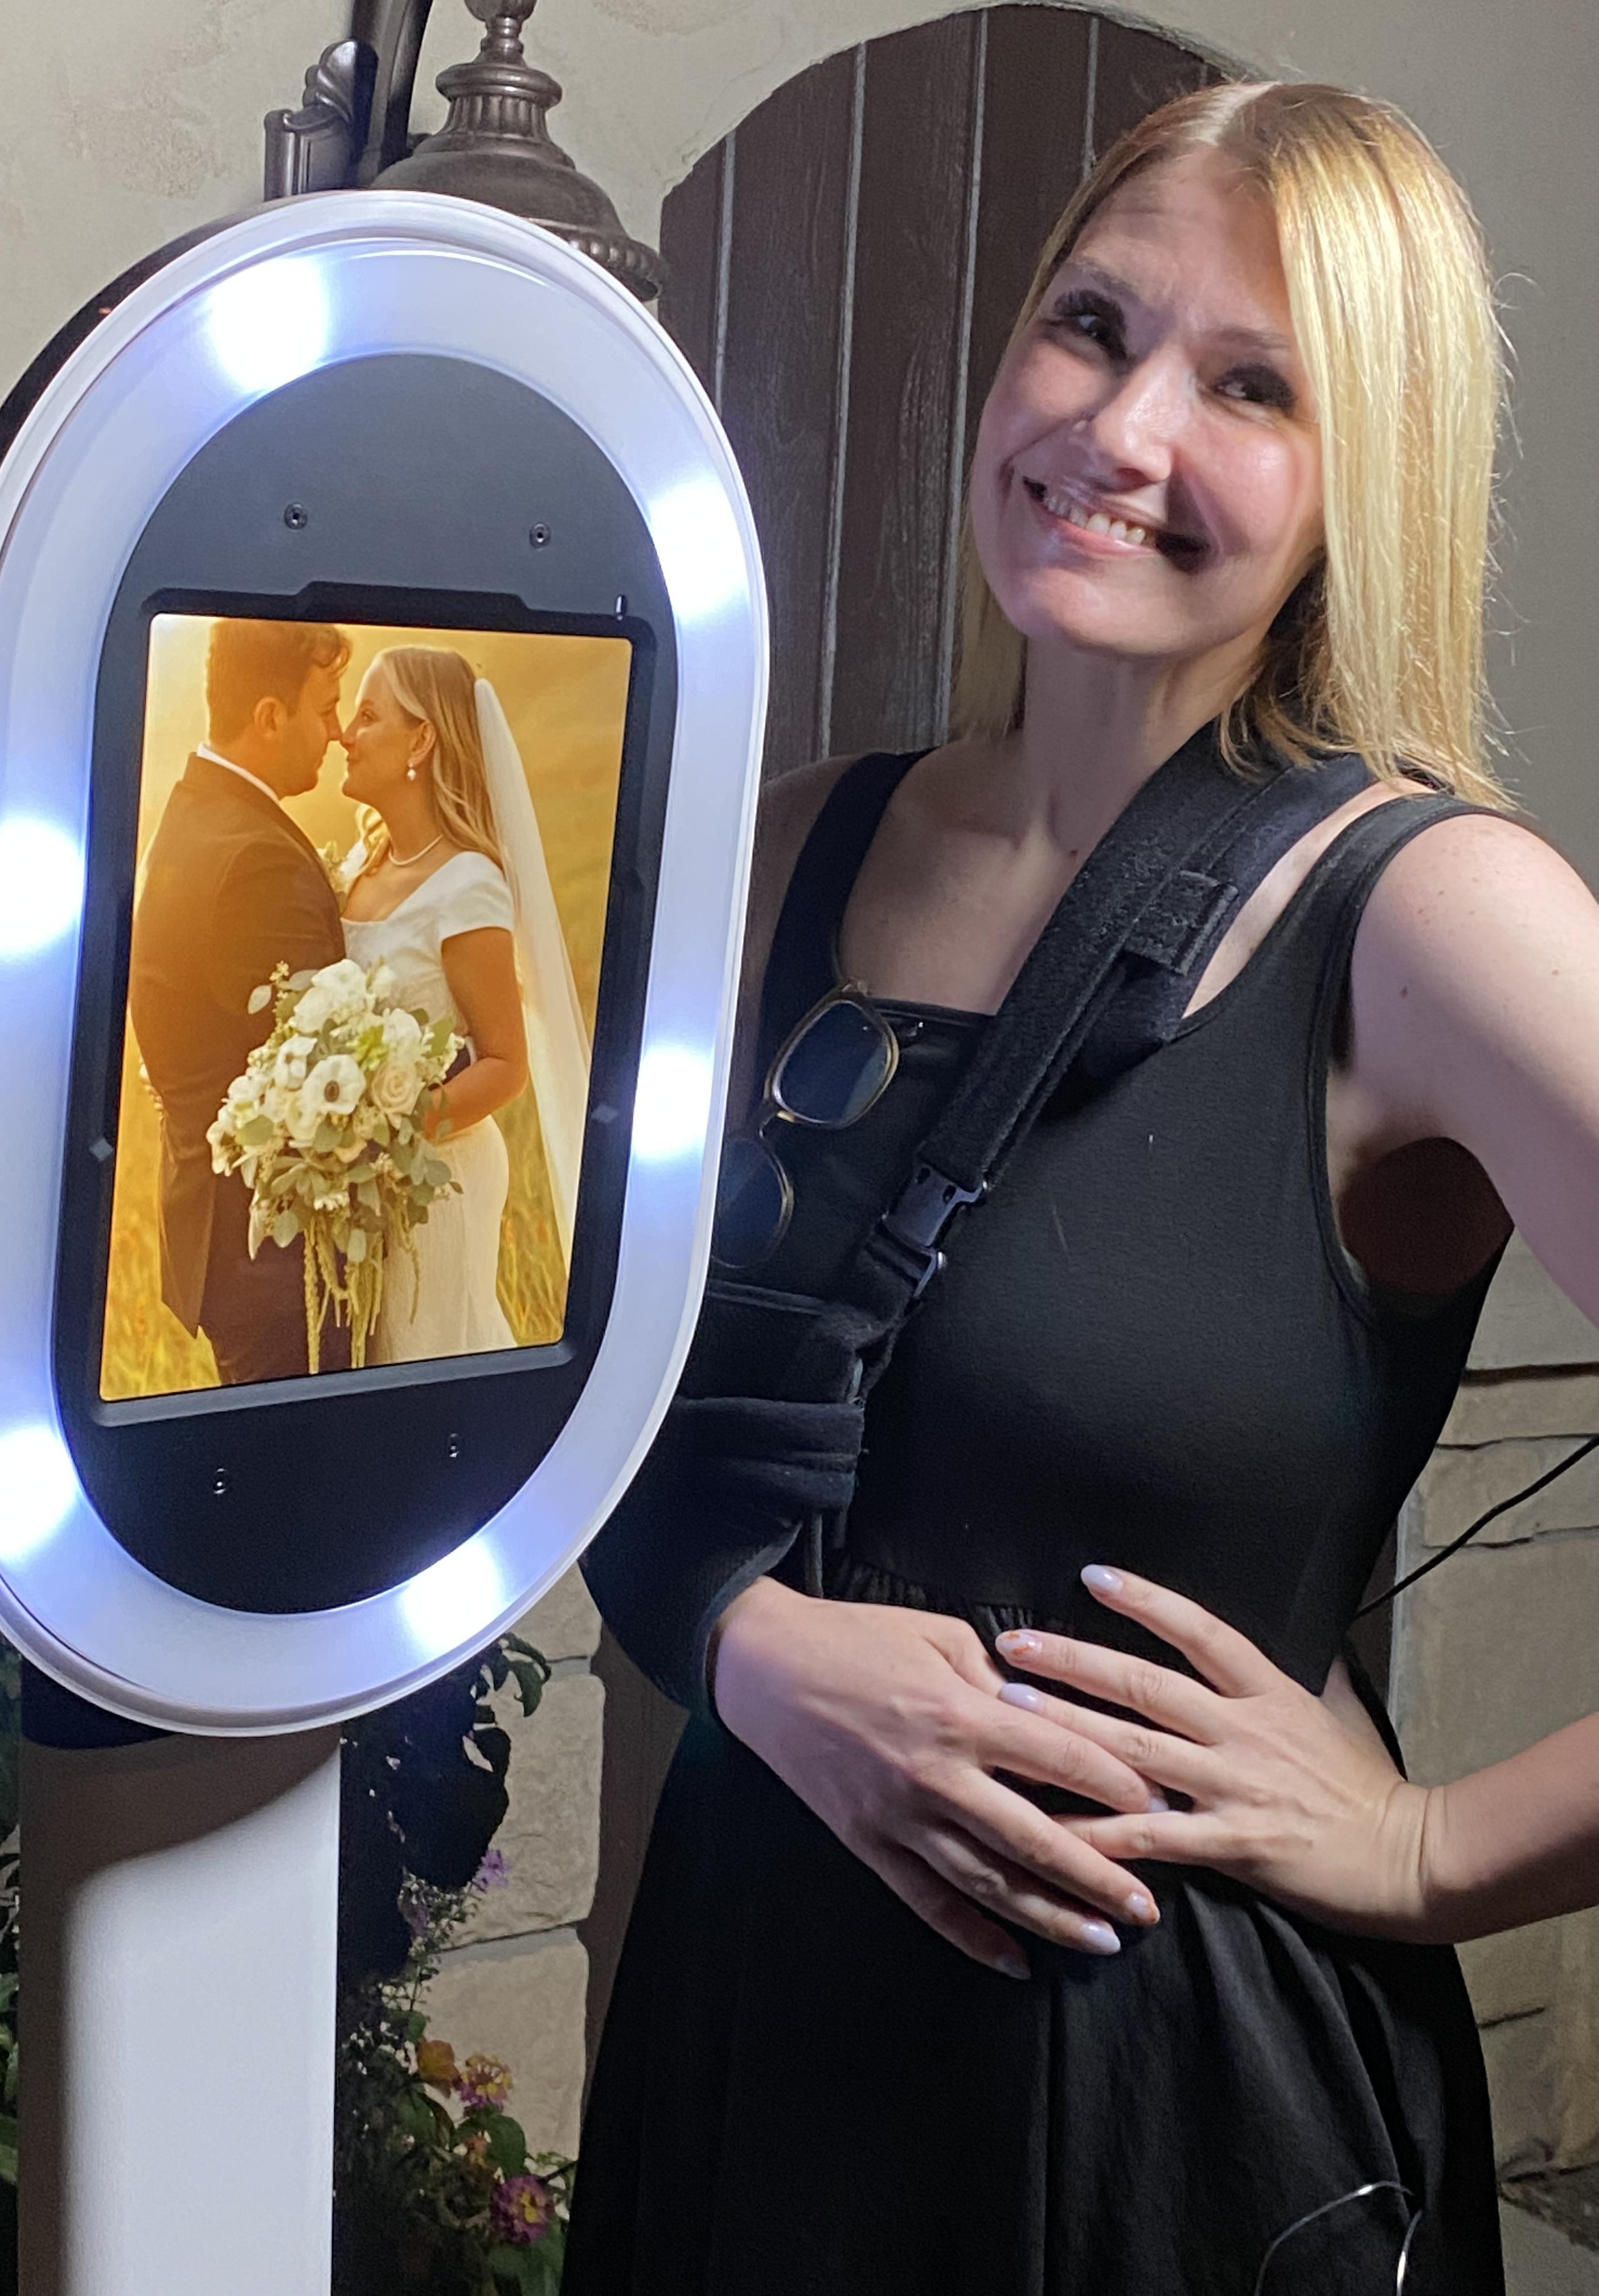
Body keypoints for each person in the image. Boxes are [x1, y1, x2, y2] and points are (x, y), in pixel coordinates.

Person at [567, 81, 1599, 2294]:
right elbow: (581, 1407)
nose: (1119, 430)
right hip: (757, 2058)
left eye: (1250, 387)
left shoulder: (1436, 921)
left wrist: (1431, 1848)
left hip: (1173, 2131)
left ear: (1365, 472)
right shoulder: (794, 846)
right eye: (1092, 326)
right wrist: (750, 1647)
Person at [338, 646, 589, 1362]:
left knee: (424, 1358)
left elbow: (506, 1065)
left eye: (368, 716)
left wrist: (386, 1142)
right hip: (360, 1188)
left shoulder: (467, 885)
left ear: (421, 740)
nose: (345, 736)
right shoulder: (360, 867)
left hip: (438, 1184)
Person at [129, 617, 353, 1385]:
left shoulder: (194, 813)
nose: (336, 732)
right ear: (269, 716)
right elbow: (321, 1075)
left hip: (227, 1242)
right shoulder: (258, 861)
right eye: (325, 709)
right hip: (275, 1259)